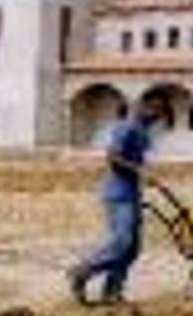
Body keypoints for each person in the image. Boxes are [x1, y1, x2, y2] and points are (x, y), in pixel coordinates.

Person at [67, 95, 167, 305]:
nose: (158, 117)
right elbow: (113, 157)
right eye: (156, 110)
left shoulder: (142, 131)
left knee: (132, 249)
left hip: (131, 195)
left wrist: (143, 178)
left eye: (161, 113)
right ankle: (83, 271)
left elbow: (134, 162)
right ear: (144, 106)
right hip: (118, 195)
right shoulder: (127, 127)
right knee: (122, 243)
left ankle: (112, 292)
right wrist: (140, 172)